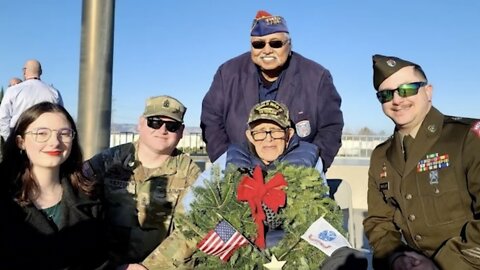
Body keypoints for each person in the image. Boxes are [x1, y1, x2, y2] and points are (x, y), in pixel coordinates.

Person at [363, 54, 480, 270]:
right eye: (386, 95)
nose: (397, 100)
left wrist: (442, 265)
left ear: (428, 91)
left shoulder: (467, 138)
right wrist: (396, 258)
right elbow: (378, 221)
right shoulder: (381, 156)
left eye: (407, 89)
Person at [200, 10, 344, 171]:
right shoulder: (227, 74)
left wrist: (310, 169)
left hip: (298, 171)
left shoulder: (317, 77)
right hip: (239, 169)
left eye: (275, 43)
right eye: (258, 44)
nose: (267, 50)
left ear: (289, 45)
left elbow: (331, 127)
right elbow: (211, 120)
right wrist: (227, 162)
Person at [83, 95, 201, 269]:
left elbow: (191, 230)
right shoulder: (108, 161)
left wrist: (149, 267)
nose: (162, 130)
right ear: (140, 123)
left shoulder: (190, 173)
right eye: (154, 122)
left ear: (181, 132)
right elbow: (77, 205)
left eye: (172, 126)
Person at [186, 100, 326, 245]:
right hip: (240, 246)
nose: (268, 138)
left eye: (276, 131)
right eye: (260, 132)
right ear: (250, 136)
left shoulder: (308, 158)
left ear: (289, 134)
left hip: (291, 247)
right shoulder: (231, 158)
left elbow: (320, 212)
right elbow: (191, 202)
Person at [0, 102, 108, 269]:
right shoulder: (5, 198)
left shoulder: (91, 195)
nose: (54, 142)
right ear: (21, 142)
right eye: (41, 133)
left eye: (64, 133)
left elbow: (100, 260)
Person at [0, 59, 63, 141]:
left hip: (19, 137)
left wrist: (8, 139)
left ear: (24, 71)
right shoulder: (54, 92)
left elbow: (3, 117)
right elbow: (60, 116)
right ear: (41, 72)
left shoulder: (13, 91)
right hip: (45, 137)